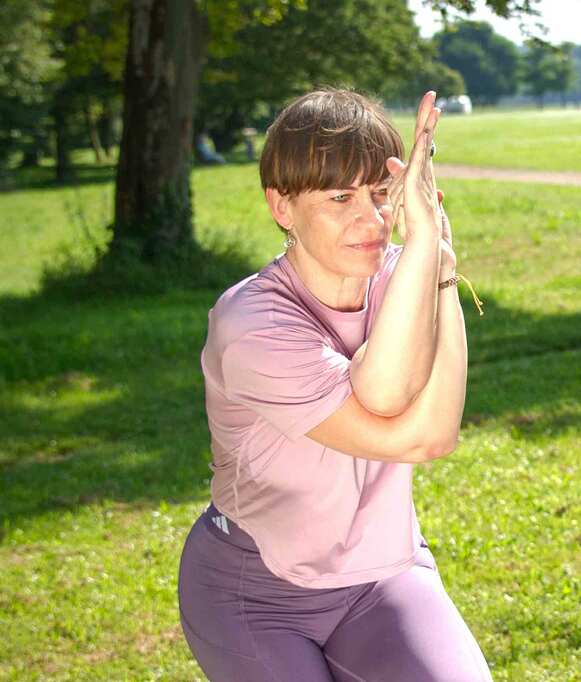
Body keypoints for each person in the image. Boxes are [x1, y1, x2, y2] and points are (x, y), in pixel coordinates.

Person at [176, 87, 488, 681]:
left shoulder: (407, 272)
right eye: (339, 196)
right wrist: (426, 254)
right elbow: (401, 421)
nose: (369, 219)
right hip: (256, 593)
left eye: (380, 194)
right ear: (282, 206)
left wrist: (439, 266)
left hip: (381, 574)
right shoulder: (250, 323)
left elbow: (437, 431)